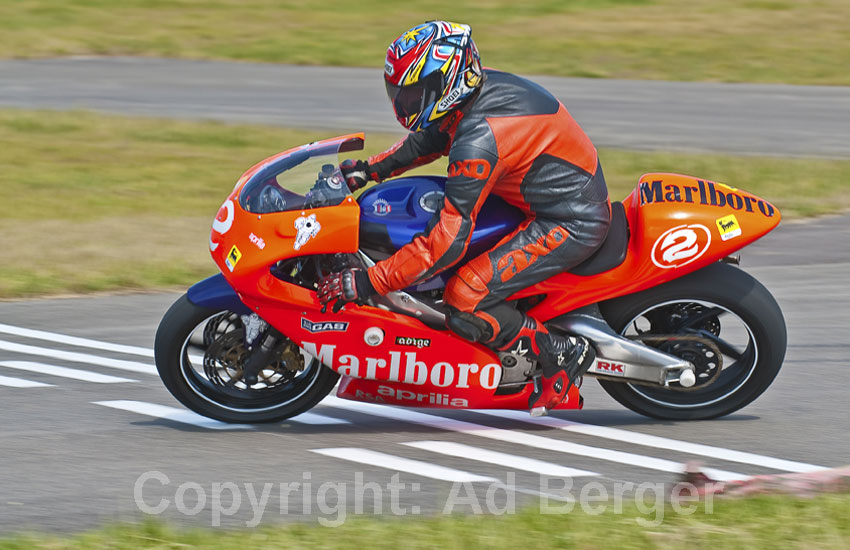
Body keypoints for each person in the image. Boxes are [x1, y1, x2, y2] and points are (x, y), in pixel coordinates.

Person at [317, 21, 610, 414]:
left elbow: (445, 243)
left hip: (568, 221)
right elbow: (434, 136)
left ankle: (558, 353)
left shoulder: (479, 139)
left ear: (447, 82)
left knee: (465, 295)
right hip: (533, 198)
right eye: (400, 93)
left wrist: (370, 281)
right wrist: (370, 170)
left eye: (415, 93)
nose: (405, 103)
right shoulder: (472, 97)